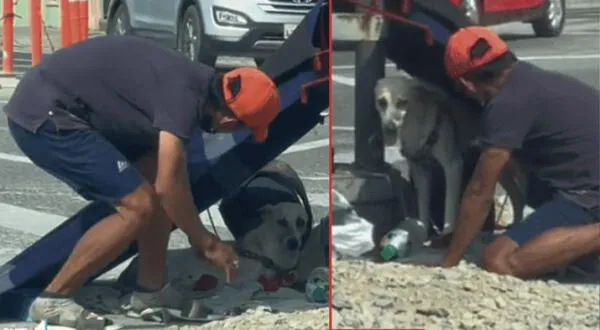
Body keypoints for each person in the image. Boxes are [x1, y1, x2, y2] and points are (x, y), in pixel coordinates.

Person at [5, 35, 281, 327]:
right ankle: (54, 299)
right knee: (138, 206)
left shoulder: (197, 84)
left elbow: (170, 178)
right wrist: (206, 242)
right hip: (45, 115)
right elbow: (170, 183)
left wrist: (198, 233)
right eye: (243, 128)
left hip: (69, 105)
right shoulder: (184, 96)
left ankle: (151, 291)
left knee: (152, 185)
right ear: (228, 118)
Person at [434, 26, 600, 278]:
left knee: (500, 261)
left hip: (589, 194)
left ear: (467, 83)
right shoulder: (527, 79)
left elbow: (481, 192)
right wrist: (463, 233)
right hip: (582, 180)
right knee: (513, 168)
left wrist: (449, 262)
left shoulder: (506, 104)